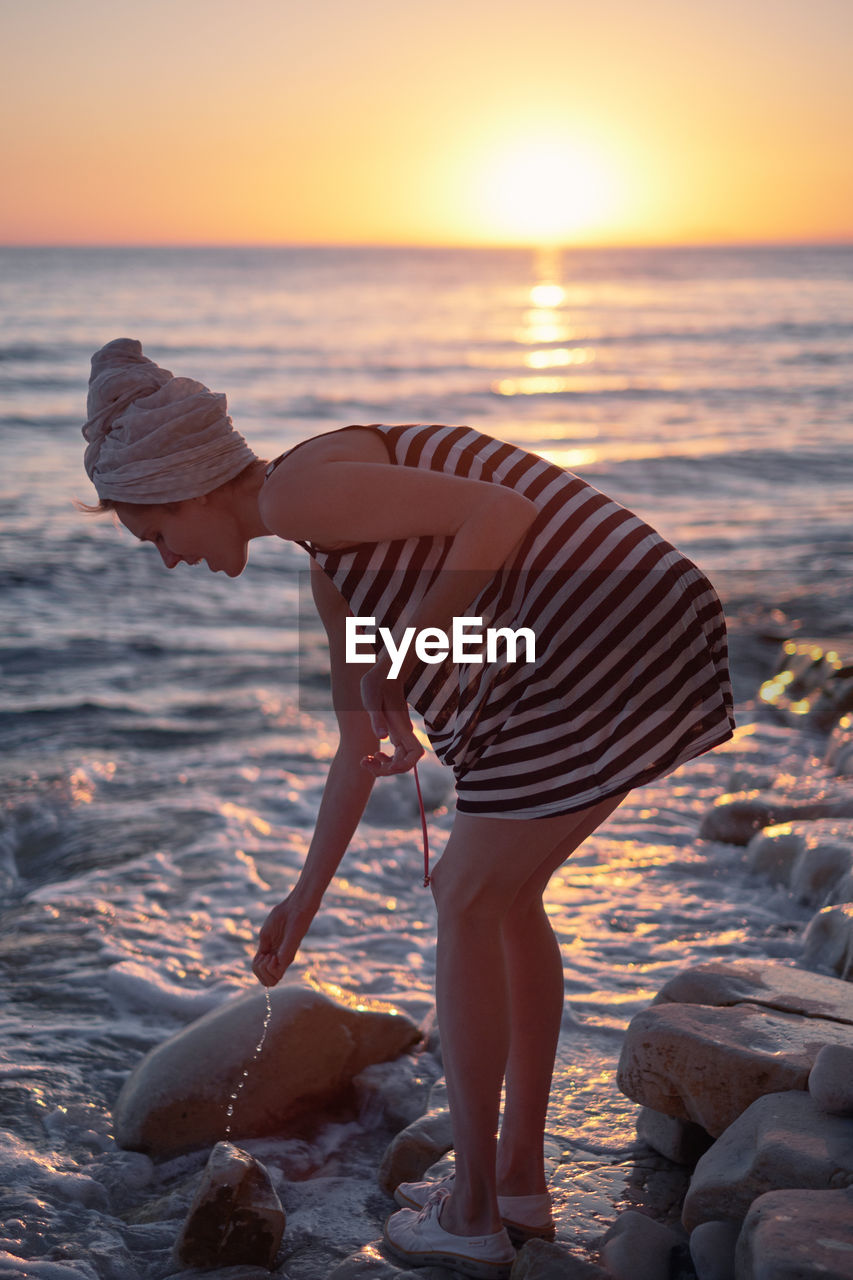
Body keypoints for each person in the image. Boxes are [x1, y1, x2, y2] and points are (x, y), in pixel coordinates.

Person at [81, 338, 735, 1278]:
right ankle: (514, 1181)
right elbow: (359, 749)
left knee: (468, 897)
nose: (168, 563)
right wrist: (300, 902)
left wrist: (418, 639)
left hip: (609, 626)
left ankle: (470, 1212)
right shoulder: (326, 564)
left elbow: (498, 514)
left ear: (185, 486)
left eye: (155, 539)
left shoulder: (305, 486)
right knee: (498, 902)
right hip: (594, 638)